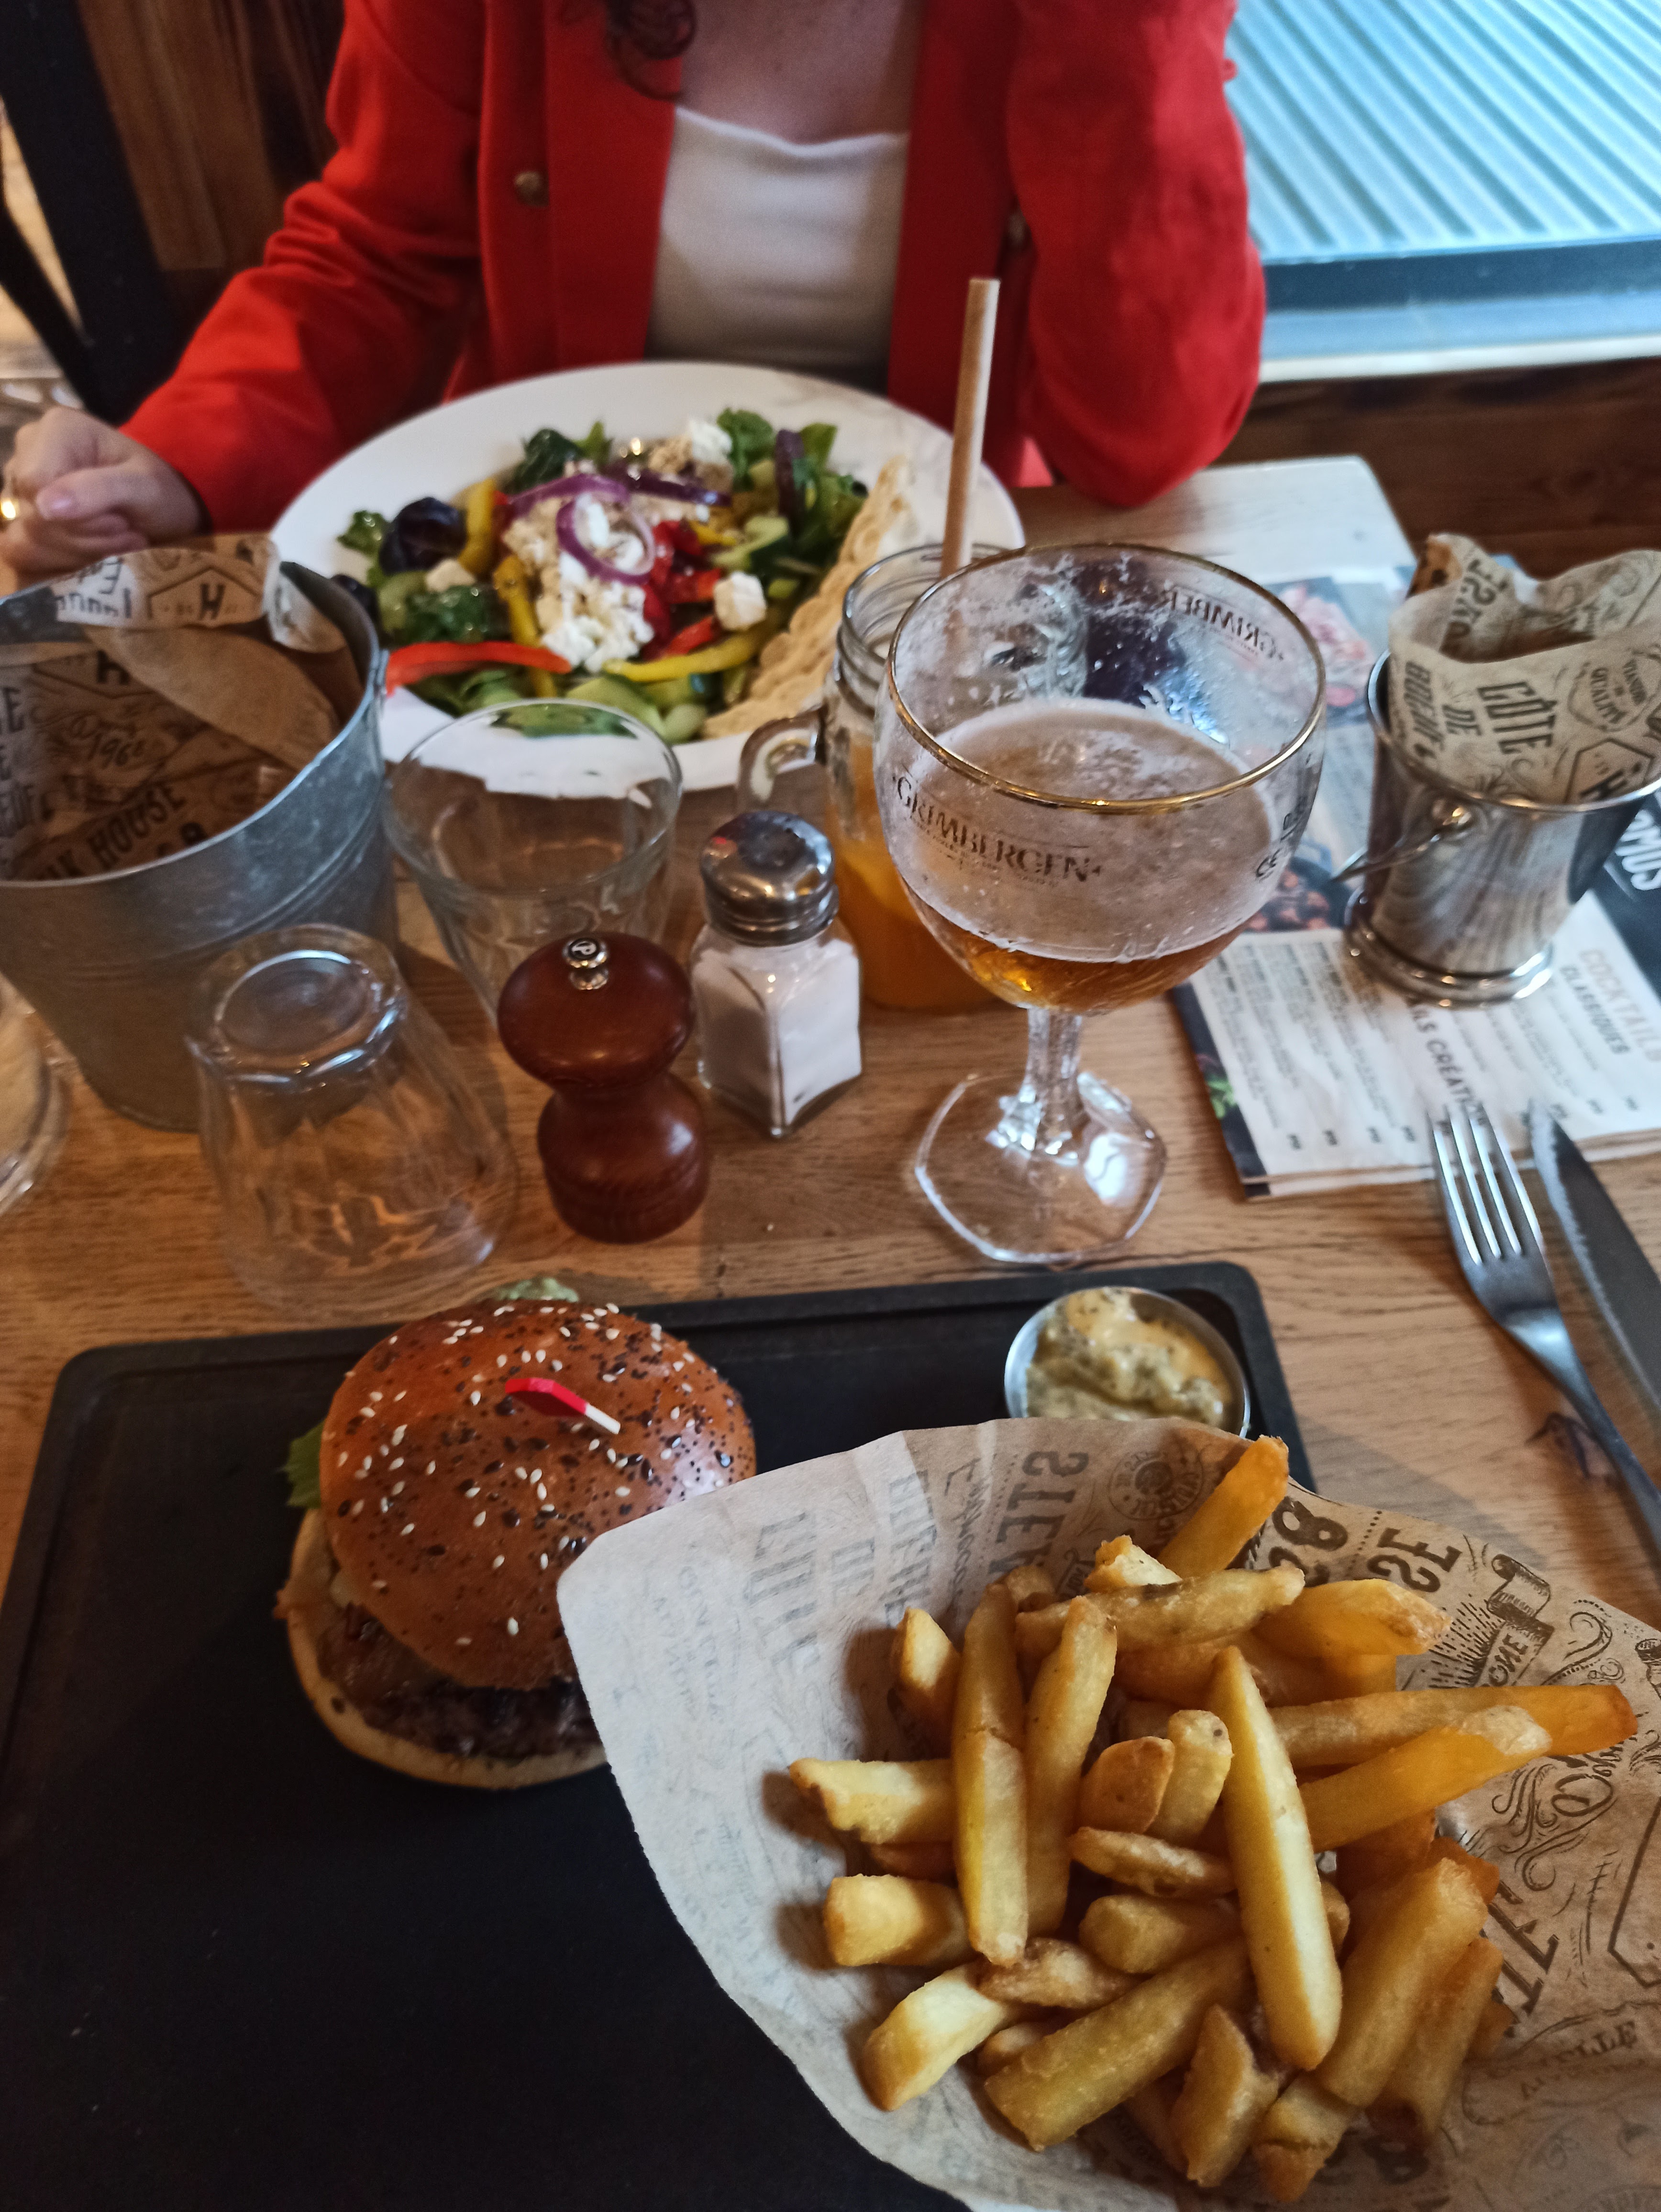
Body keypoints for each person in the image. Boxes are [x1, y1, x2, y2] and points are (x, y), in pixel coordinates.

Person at [1, 0, 1262, 577]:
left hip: (927, 590)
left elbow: (1142, 441)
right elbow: (374, 257)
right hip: (554, 582)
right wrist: (181, 459)